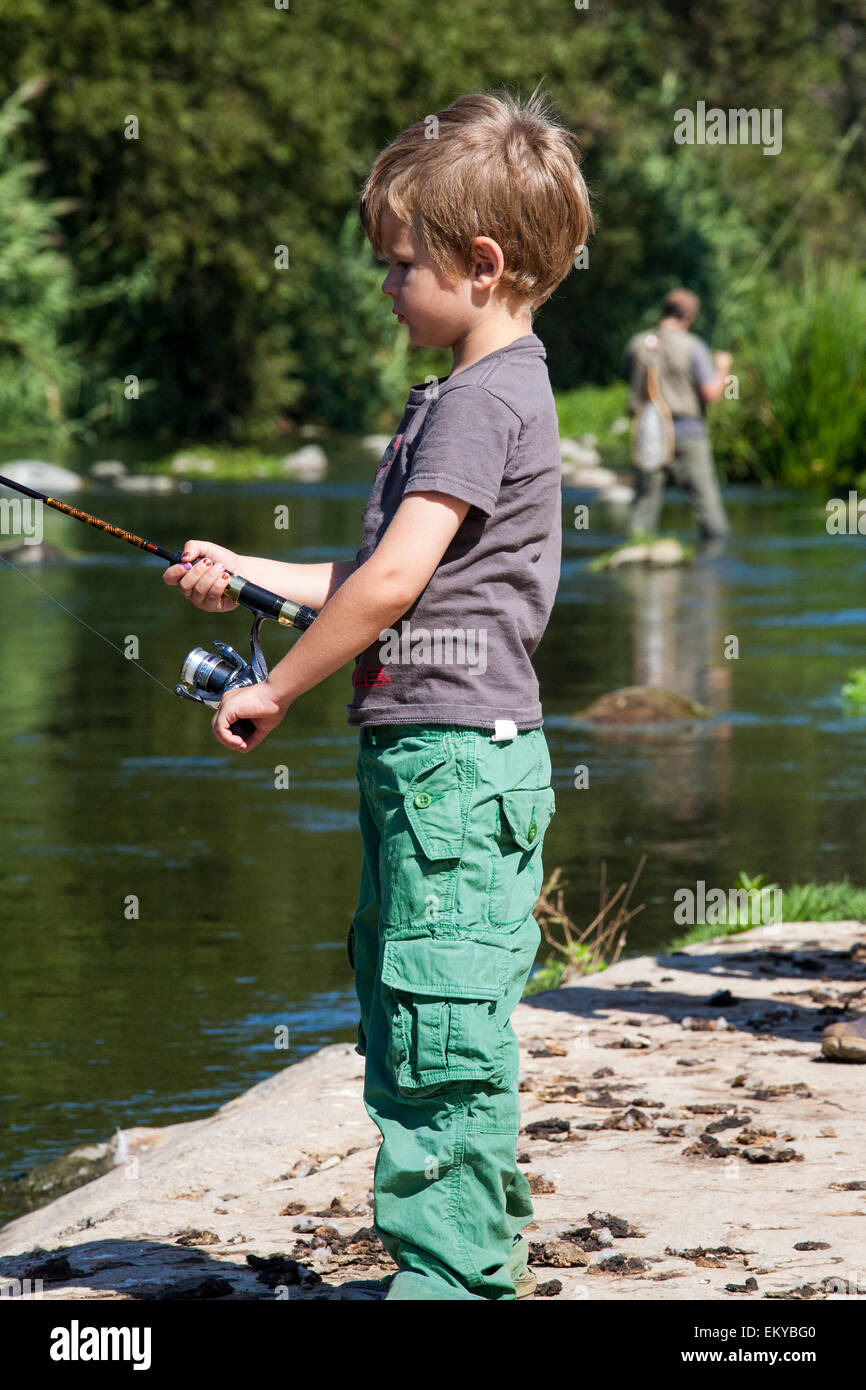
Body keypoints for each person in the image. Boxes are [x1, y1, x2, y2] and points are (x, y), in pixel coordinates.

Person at [162, 86, 592, 1300]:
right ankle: (465, 1261)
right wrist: (244, 572)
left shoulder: (474, 403)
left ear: (483, 263)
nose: (388, 286)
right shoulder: (493, 392)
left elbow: (393, 581)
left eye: (399, 266)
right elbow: (370, 574)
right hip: (445, 762)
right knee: (421, 1005)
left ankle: (448, 1281)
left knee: (437, 1024)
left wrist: (277, 690)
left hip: (450, 767)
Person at [626, 288, 732, 542]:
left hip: (648, 432)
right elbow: (712, 394)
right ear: (688, 317)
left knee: (644, 505)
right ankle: (712, 564)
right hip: (687, 432)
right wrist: (723, 369)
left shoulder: (637, 344)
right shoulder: (693, 346)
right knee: (708, 509)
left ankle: (637, 556)